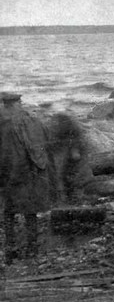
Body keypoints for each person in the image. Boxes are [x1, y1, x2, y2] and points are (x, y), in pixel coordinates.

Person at [0, 92, 55, 260]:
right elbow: (46, 144)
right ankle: (32, 248)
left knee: (8, 211)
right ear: (19, 103)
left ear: (6, 105)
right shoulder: (34, 120)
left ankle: (11, 249)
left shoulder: (3, 122)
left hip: (10, 173)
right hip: (31, 172)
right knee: (30, 210)